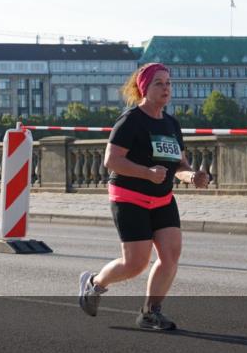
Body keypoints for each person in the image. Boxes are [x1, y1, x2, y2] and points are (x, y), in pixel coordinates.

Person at [78, 63, 210, 331]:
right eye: (158, 83)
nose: (166, 88)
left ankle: (150, 313)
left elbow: (180, 166)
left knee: (170, 256)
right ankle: (95, 284)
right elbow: (111, 161)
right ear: (144, 89)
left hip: (162, 199)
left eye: (168, 83)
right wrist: (146, 173)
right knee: (135, 264)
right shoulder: (130, 120)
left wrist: (193, 176)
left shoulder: (172, 123)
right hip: (129, 197)